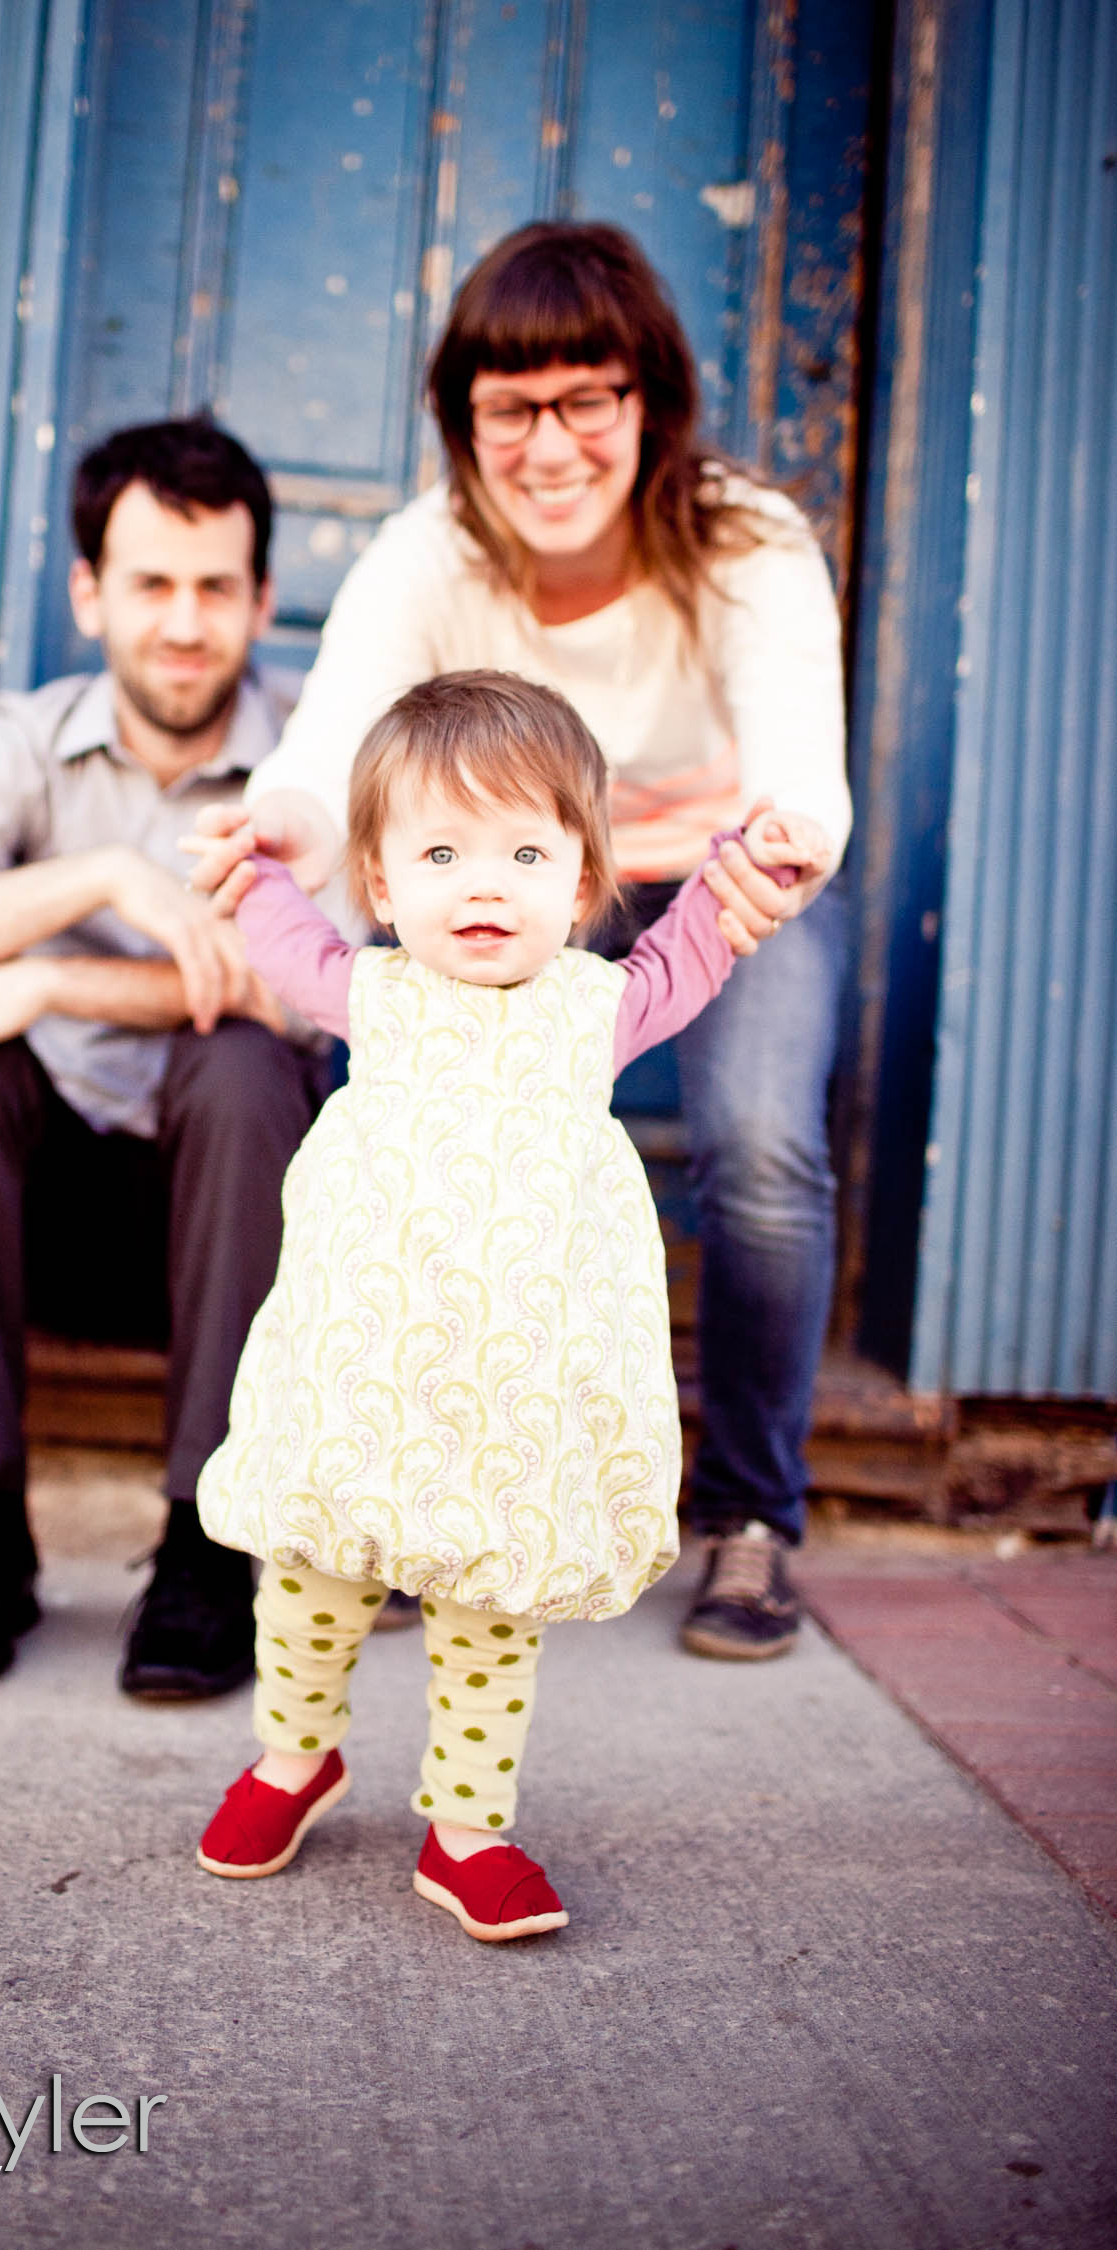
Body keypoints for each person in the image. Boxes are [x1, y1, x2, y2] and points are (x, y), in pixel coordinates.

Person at [193, 222, 851, 1663]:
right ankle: (396, 1492)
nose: (549, 445)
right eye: (510, 407)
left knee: (758, 1144)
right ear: (463, 420)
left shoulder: (747, 537)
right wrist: (286, 829)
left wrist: (788, 842)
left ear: (648, 403)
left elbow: (803, 754)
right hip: (500, 876)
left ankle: (752, 1516)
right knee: (382, 1125)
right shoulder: (428, 553)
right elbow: (330, 739)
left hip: (723, 878)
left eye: (585, 400)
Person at [186, 672, 833, 1939]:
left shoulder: (598, 1010)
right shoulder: (369, 995)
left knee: (491, 1616)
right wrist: (250, 859)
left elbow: (699, 941)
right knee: (312, 1578)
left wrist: (742, 861)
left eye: (527, 851)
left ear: (583, 884)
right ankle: (291, 1758)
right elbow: (276, 924)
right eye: (440, 851)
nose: (484, 884)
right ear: (380, 885)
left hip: (506, 1411)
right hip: (359, 1385)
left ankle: (469, 1830)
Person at [0, 415, 333, 1697]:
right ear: (90, 591)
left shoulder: (313, 764)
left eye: (217, 587)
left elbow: (328, 995)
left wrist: (44, 979)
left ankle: (207, 1554)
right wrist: (93, 879)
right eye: (151, 583)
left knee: (249, 1067)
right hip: (42, 1231)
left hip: (243, 1239)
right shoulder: (24, 747)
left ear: (263, 598)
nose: (184, 623)